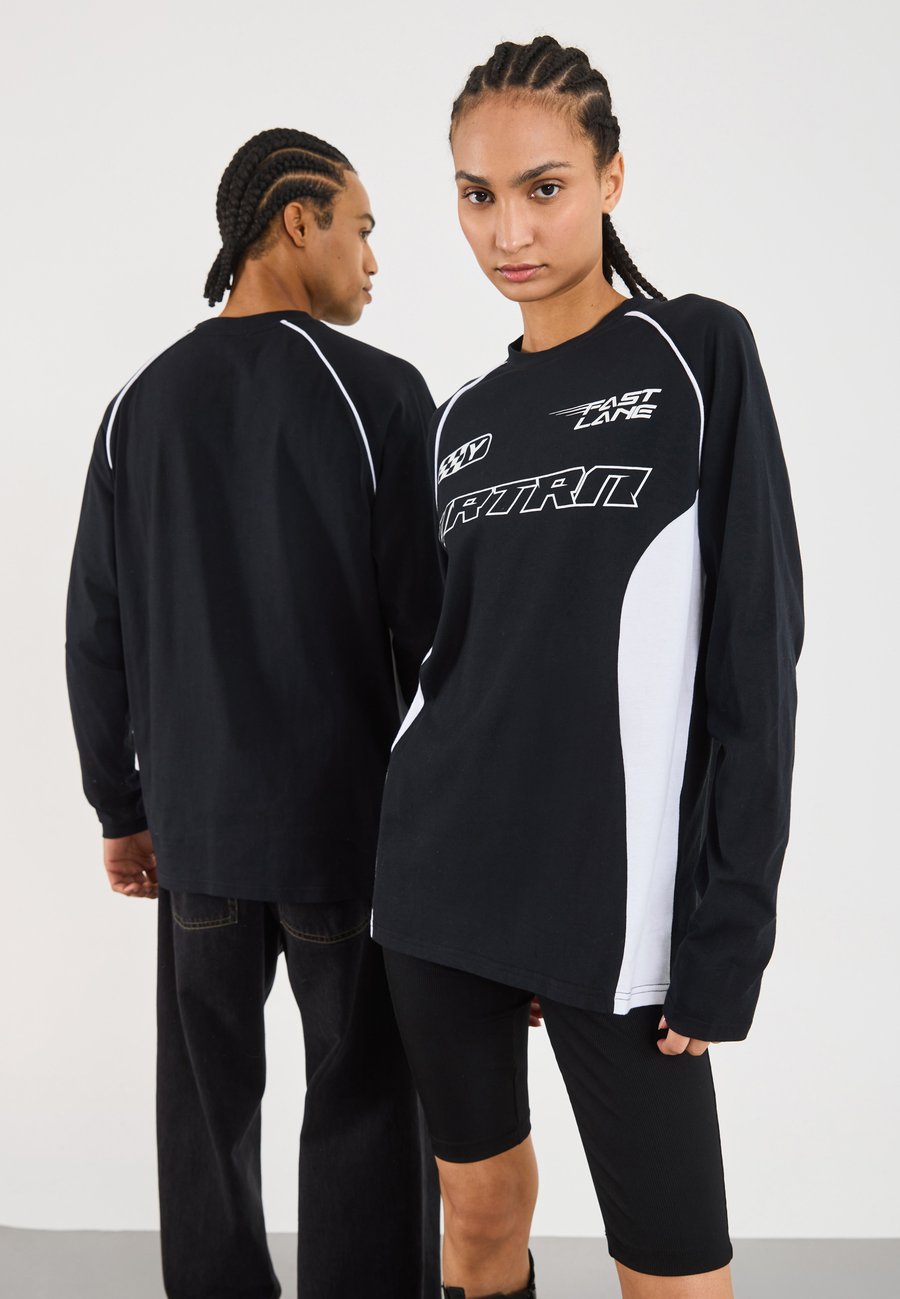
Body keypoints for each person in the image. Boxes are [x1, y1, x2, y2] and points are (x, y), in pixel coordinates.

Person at [370, 36, 805, 1299]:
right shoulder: (461, 420)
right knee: (478, 1217)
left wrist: (729, 933)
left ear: (613, 178)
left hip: (619, 910)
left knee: (675, 1269)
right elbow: (445, 660)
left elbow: (757, 652)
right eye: (477, 194)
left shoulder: (696, 352)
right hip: (443, 886)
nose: (508, 230)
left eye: (544, 187)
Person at [64, 127, 443, 1299]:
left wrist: (121, 809)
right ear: (296, 221)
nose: (373, 259)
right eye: (361, 228)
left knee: (204, 1110)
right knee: (367, 1096)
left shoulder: (137, 406)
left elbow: (96, 632)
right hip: (344, 838)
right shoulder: (380, 394)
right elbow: (435, 636)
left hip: (197, 840)